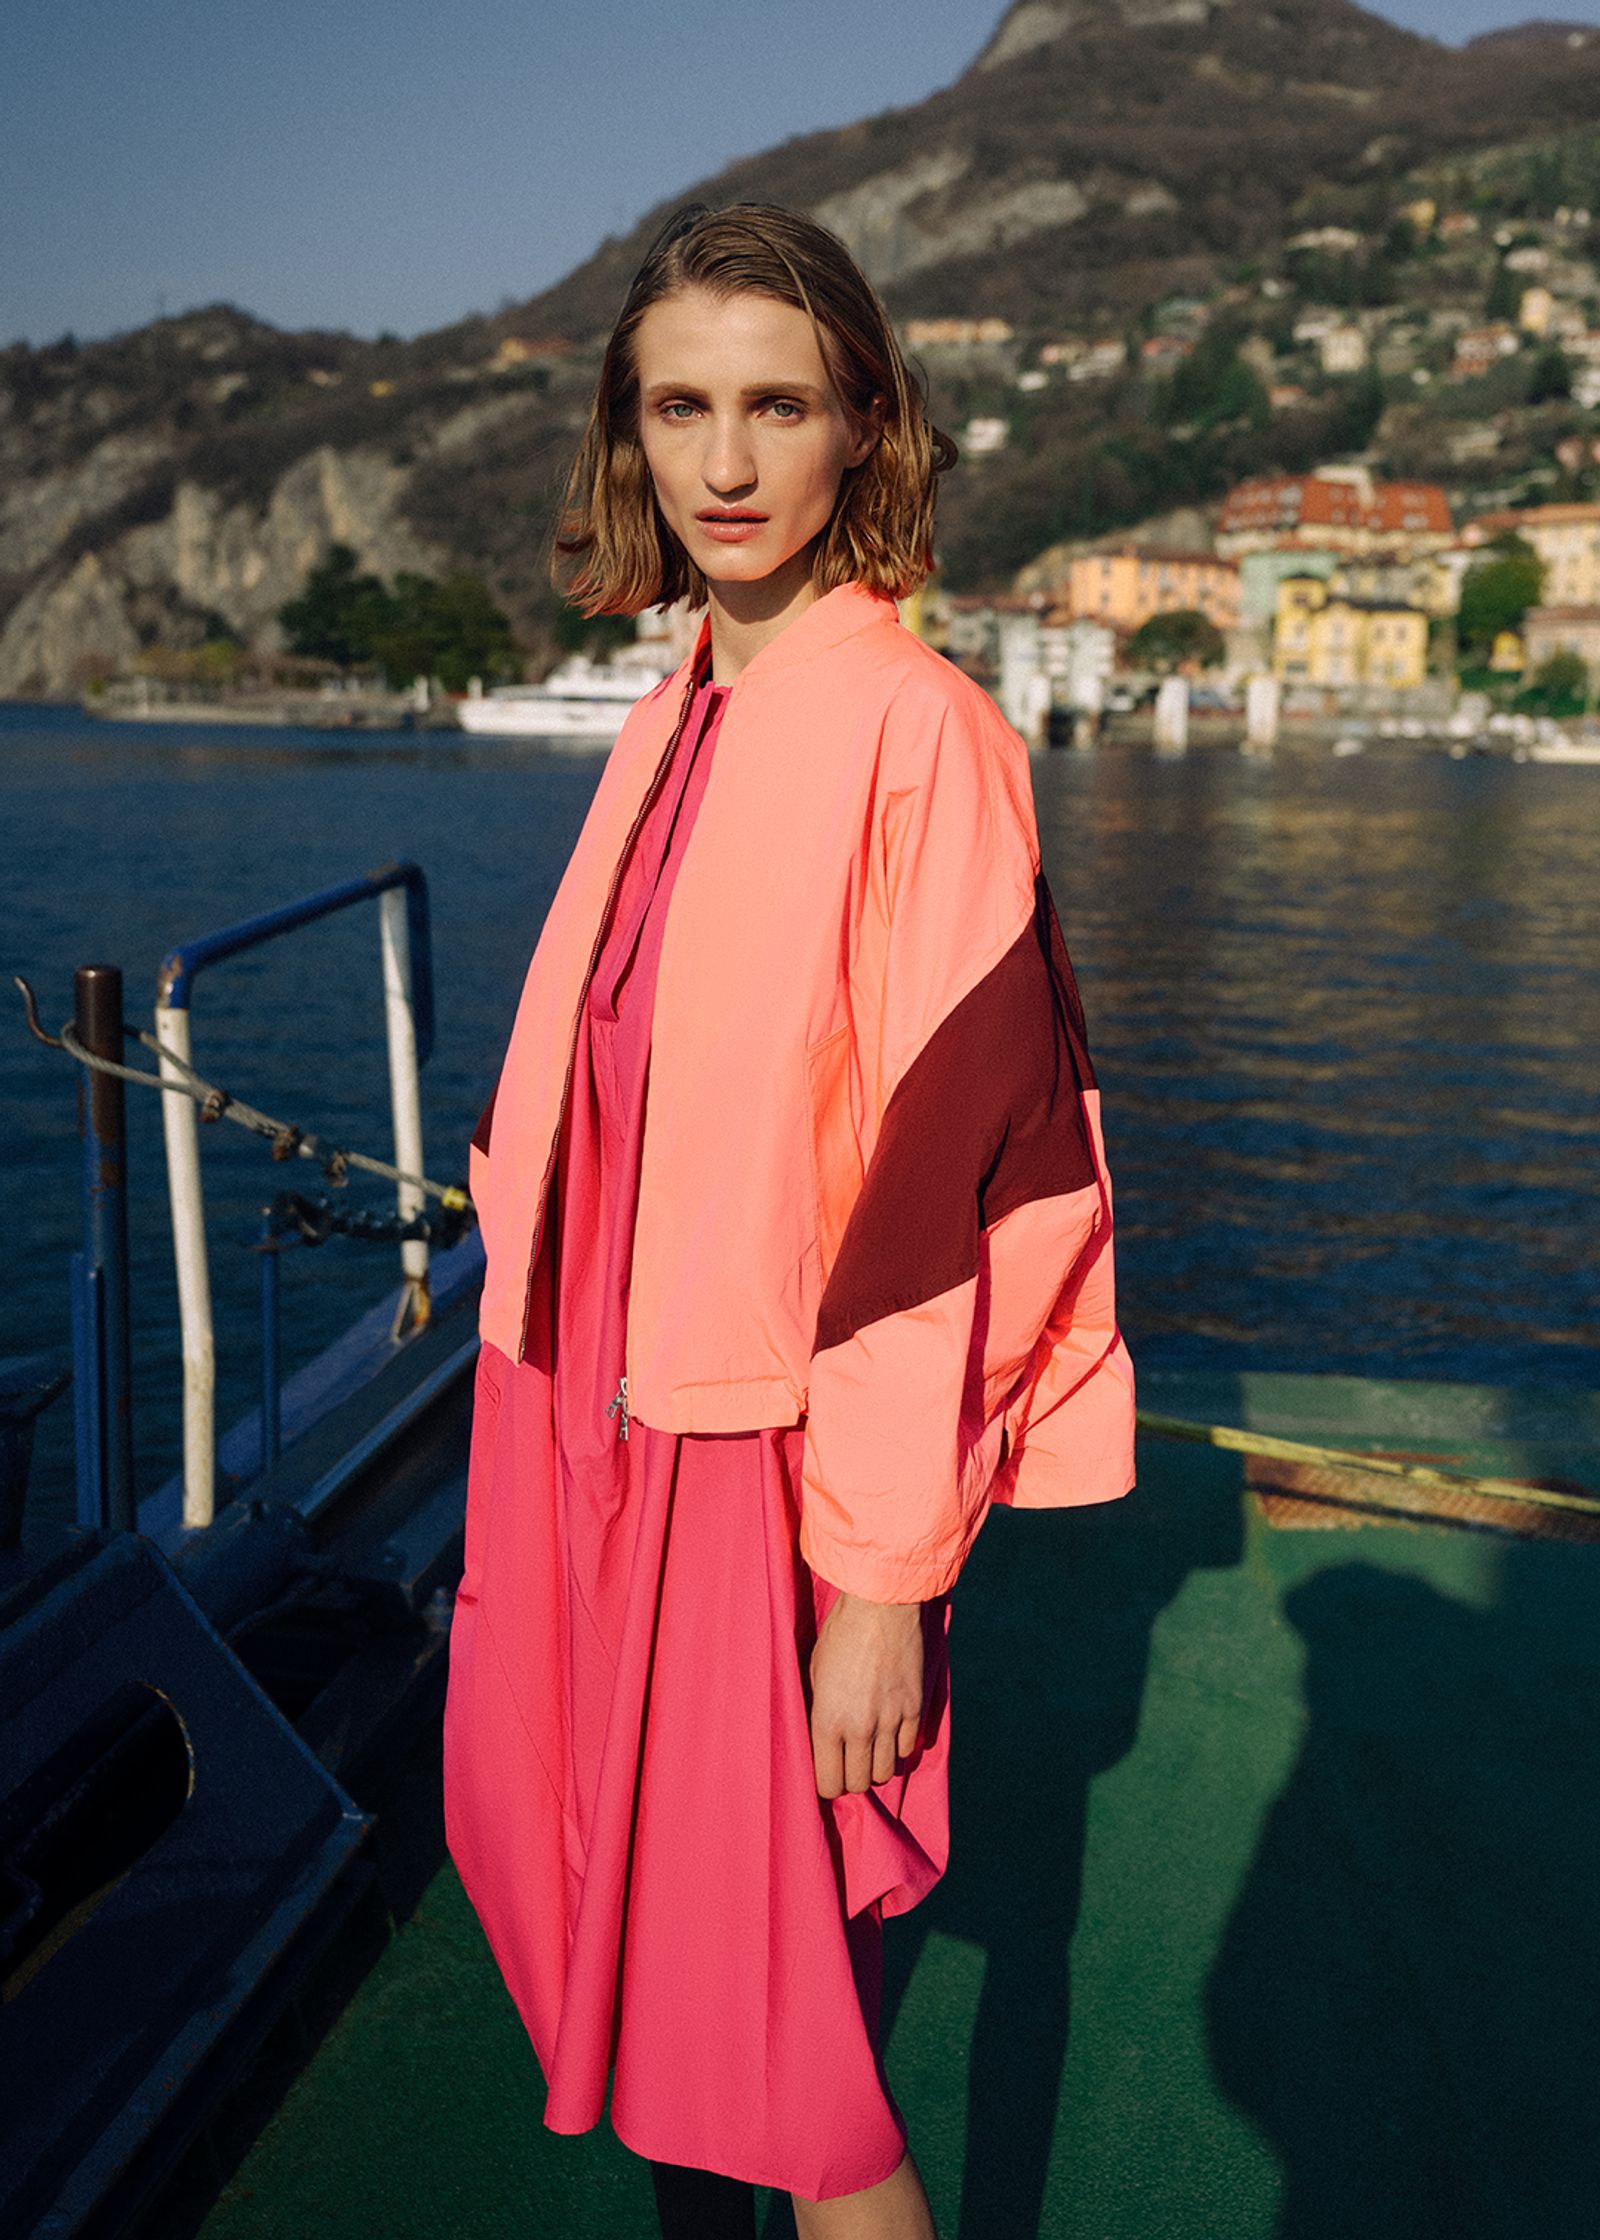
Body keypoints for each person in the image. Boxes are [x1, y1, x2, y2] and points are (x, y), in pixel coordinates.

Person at [442, 201, 1136, 2240]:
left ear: (860, 427)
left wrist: (873, 1579)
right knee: (637, 1959)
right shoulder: (682, 706)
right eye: (681, 407)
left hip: (752, 1468)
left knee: (789, 2074)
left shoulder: (914, 731)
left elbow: (939, 1195)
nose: (725, 463)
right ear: (626, 435)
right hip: (583, 1423)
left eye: (775, 405)